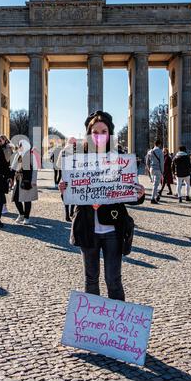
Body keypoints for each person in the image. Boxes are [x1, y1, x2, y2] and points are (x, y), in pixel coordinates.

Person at [59, 110, 145, 301]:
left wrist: (139, 194)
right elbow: (71, 195)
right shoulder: (76, 159)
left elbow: (129, 194)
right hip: (87, 227)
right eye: (94, 132)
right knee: (90, 280)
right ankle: (94, 327)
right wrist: (64, 189)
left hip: (113, 228)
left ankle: (116, 327)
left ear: (109, 134)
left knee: (113, 280)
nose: (99, 136)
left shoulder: (121, 158)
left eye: (103, 131)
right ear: (88, 134)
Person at [10, 139, 38, 225]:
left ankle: (26, 217)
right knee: (15, 198)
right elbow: (13, 167)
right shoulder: (17, 155)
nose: (19, 147)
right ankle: (21, 214)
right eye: (19, 145)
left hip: (27, 180)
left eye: (20, 145)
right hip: (18, 179)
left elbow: (35, 169)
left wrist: (33, 180)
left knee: (27, 199)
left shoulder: (31, 155)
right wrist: (11, 178)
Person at [56, 137, 76, 222]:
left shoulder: (63, 151)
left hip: (65, 176)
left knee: (65, 194)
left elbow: (58, 165)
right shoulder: (77, 152)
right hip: (75, 176)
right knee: (75, 193)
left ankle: (67, 214)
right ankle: (72, 211)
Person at [0, 135, 16, 214]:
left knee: (1, 190)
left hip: (5, 172)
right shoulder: (2, 148)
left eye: (0, 140)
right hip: (2, 172)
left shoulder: (7, 148)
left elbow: (7, 160)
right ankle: (1, 206)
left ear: (4, 140)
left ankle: (4, 207)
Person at [146, 140, 164, 204]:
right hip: (158, 169)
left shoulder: (150, 152)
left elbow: (147, 162)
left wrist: (149, 169)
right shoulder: (160, 152)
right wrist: (162, 171)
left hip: (151, 169)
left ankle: (156, 196)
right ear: (159, 144)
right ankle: (152, 198)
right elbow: (162, 162)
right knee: (155, 185)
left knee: (154, 184)